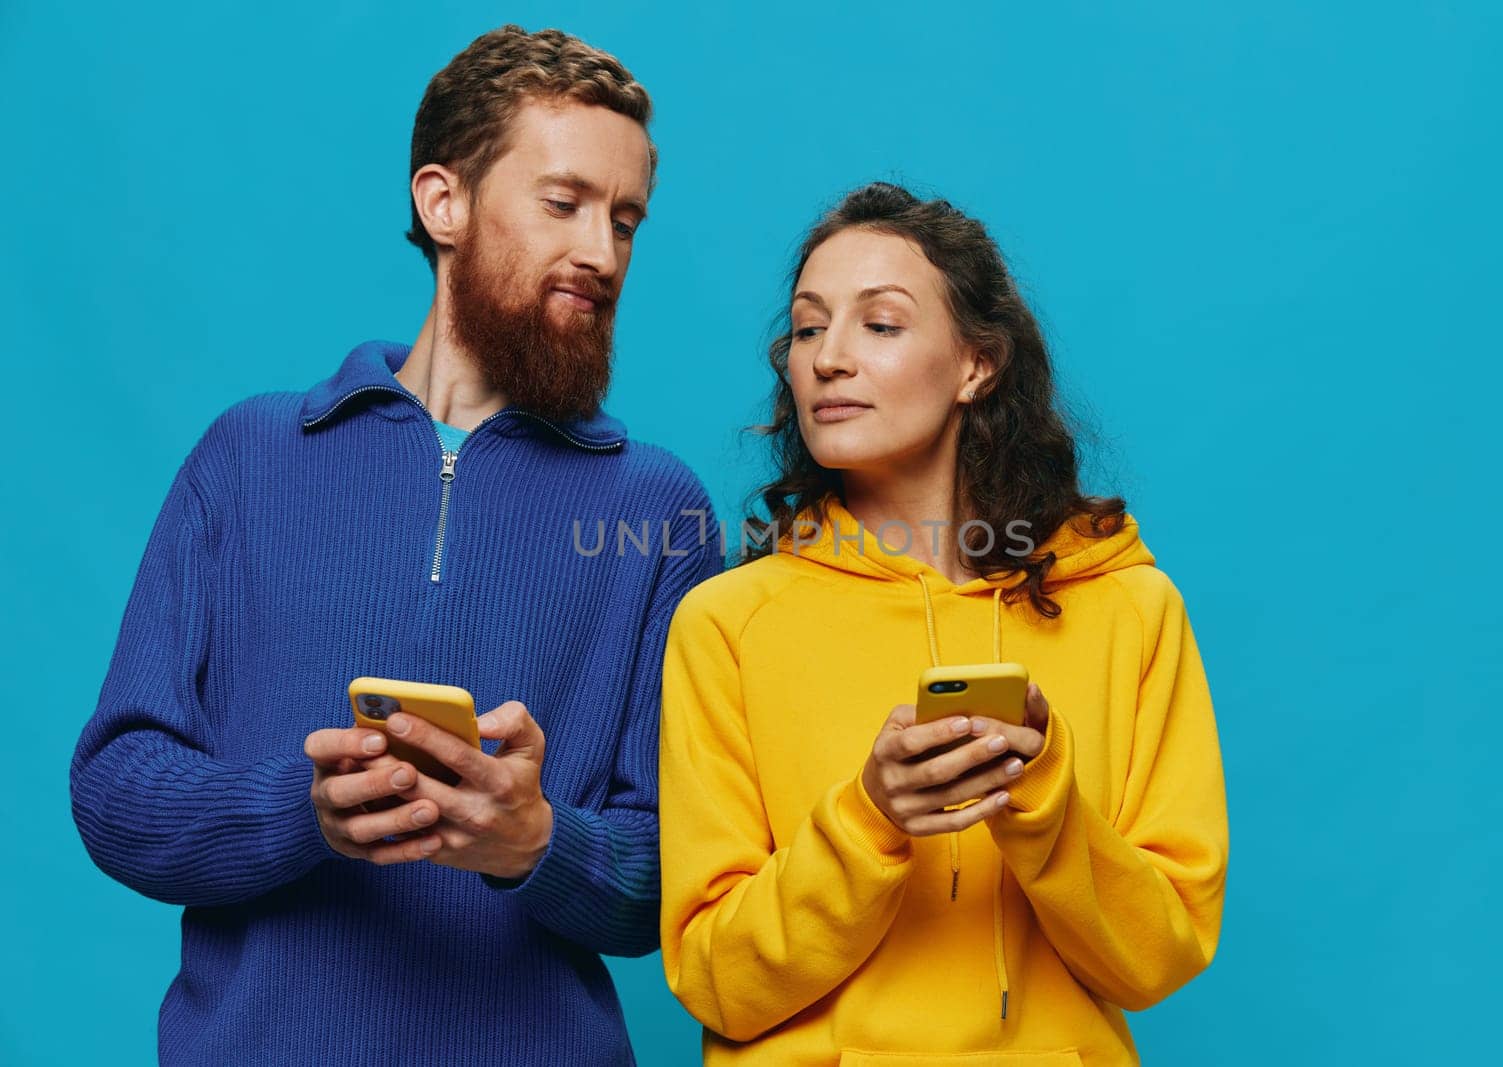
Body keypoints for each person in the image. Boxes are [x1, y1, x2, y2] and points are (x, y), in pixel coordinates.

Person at [69, 26, 720, 1066]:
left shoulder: (661, 511)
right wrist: (302, 807)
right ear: (443, 202)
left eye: (625, 220)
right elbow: (114, 788)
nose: (601, 253)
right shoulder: (248, 456)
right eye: (564, 204)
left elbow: (677, 873)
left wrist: (538, 843)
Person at [658, 183, 1227, 1065]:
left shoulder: (1131, 607)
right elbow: (715, 978)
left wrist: (1040, 801)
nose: (828, 359)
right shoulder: (726, 623)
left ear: (976, 365)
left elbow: (1157, 958)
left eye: (879, 324)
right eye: (808, 328)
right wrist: (869, 819)